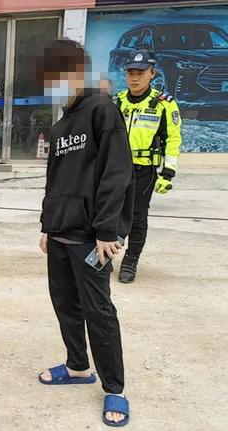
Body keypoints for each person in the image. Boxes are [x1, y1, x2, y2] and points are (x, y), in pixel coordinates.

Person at [36, 39, 134, 427]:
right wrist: (48, 225)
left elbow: (116, 172)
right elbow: (55, 179)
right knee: (65, 304)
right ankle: (77, 366)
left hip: (92, 238)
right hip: (60, 233)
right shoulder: (62, 123)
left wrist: (108, 230)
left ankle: (115, 388)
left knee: (99, 311)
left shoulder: (102, 110)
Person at [113, 50, 182, 283]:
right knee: (107, 211)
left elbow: (173, 139)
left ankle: (130, 260)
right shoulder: (116, 101)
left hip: (144, 170)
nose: (134, 78)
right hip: (116, 169)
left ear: (152, 74)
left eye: (140, 73)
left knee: (136, 216)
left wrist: (168, 174)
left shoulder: (163, 104)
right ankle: (104, 255)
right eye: (130, 73)